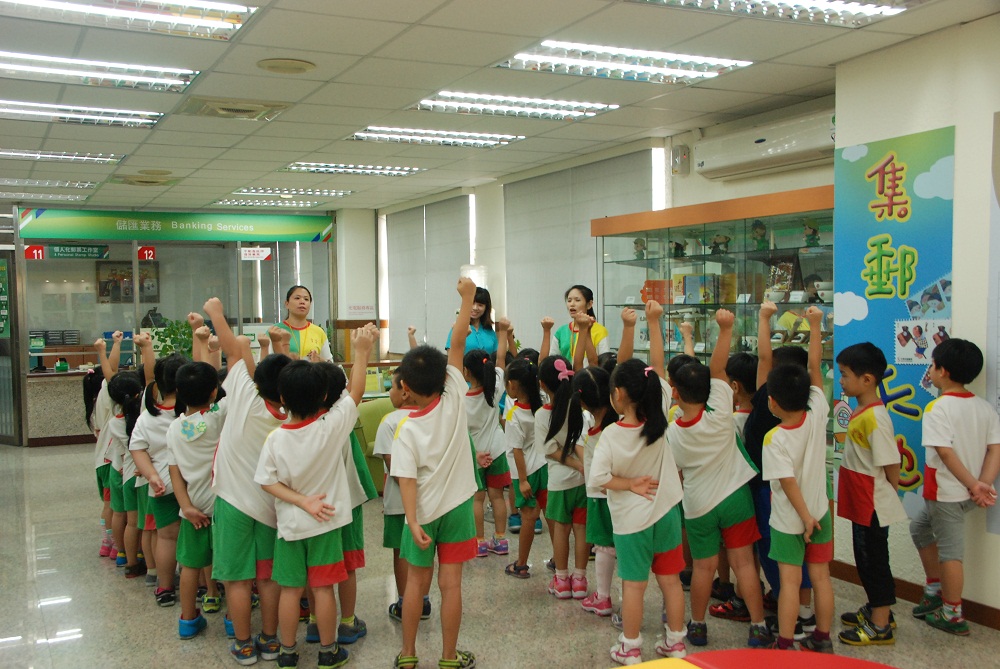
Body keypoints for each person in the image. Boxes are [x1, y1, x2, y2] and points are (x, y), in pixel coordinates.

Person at [254, 324, 374, 669]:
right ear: (324, 398)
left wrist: (299, 501)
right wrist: (362, 351)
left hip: (291, 527)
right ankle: (327, 650)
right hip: (326, 523)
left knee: (291, 590)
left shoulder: (276, 438)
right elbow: (356, 392)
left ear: (283, 399)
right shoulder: (331, 428)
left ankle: (288, 652)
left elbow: (266, 482)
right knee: (323, 589)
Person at [590, 299, 687, 665]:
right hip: (667, 513)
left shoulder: (612, 435)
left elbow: (598, 478)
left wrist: (628, 484)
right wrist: (654, 322)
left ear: (615, 396)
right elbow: (657, 366)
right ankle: (676, 643)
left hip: (632, 521)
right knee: (671, 581)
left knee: (633, 585)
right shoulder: (660, 412)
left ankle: (631, 647)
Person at [667, 306, 769, 649]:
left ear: (675, 393)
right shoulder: (722, 407)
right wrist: (725, 329)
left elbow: (677, 470)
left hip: (698, 505)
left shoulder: (673, 433)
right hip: (736, 498)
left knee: (703, 568)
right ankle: (757, 626)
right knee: (744, 564)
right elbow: (719, 369)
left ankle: (697, 625)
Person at [390, 277, 479, 669]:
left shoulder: (405, 429)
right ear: (445, 376)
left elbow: (405, 479)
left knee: (415, 586)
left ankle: (408, 655)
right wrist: (468, 297)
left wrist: (410, 519)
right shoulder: (457, 394)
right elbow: (458, 341)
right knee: (451, 586)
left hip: (423, 514)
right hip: (459, 507)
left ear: (405, 388)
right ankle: (447, 657)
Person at [204, 297, 290, 665]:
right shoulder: (292, 416)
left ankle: (243, 643)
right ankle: (270, 640)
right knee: (269, 578)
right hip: (272, 506)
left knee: (237, 579)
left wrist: (217, 315)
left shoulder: (243, 394)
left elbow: (233, 351)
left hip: (233, 502)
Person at [909, 338, 1000, 636]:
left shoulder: (938, 408)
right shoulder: (985, 408)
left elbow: (945, 454)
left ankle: (952, 613)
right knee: (919, 528)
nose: (930, 370)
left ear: (943, 371)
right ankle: (934, 589)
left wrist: (976, 485)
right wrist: (982, 485)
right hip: (968, 494)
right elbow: (994, 449)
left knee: (951, 553)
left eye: (932, 365)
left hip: (947, 494)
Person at [762, 306, 834, 652]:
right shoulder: (818, 409)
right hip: (822, 514)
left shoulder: (774, 438)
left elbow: (787, 483)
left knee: (790, 582)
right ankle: (822, 638)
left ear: (772, 402)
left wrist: (804, 517)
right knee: (821, 578)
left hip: (793, 519)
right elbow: (815, 367)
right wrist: (816, 325)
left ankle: (786, 642)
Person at [745, 302, 816, 636]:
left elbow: (762, 358)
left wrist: (764, 318)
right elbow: (768, 359)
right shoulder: (811, 412)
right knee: (799, 554)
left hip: (771, 489)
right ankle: (803, 611)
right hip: (804, 493)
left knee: (774, 550)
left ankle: (792, 615)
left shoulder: (767, 401)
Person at [835, 342, 907, 646]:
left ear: (867, 380)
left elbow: (891, 461)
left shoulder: (876, 417)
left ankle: (880, 625)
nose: (841, 380)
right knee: (866, 557)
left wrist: (891, 487)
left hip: (871, 500)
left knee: (873, 559)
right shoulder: (862, 410)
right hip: (860, 495)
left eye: (845, 375)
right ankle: (879, 609)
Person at [575, 307, 635, 619]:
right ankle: (626, 601)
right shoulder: (619, 417)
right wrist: (628, 328)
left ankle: (602, 597)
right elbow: (600, 368)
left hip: (600, 495)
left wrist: (583, 332)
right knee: (621, 547)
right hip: (624, 494)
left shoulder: (592, 423)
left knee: (603, 547)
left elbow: (584, 368)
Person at [167, 355, 227, 639]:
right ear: (214, 391)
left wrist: (186, 507)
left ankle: (188, 620)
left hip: (193, 509)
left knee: (190, 566)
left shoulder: (174, 429)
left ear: (178, 393)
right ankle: (232, 619)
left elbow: (175, 472)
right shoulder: (219, 416)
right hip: (226, 506)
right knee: (230, 563)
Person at [130, 350, 189, 607]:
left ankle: (164, 588)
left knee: (166, 537)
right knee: (197, 536)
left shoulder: (147, 417)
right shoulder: (190, 413)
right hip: (192, 485)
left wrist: (151, 474)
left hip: (162, 486)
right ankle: (201, 586)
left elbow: (137, 448)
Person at [374, 371, 432, 622]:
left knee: (401, 552)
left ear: (405, 391)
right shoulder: (429, 417)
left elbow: (395, 467)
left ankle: (403, 601)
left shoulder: (389, 421)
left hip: (400, 503)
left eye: (392, 388)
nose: (390, 392)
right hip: (428, 499)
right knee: (423, 551)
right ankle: (424, 601)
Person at [537, 353, 590, 601]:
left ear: (543, 384)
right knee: (581, 529)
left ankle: (561, 579)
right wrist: (581, 467)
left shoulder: (542, 415)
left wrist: (572, 464)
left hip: (558, 483)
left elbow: (550, 451)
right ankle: (580, 580)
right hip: (582, 483)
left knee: (561, 529)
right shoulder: (581, 409)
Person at [464, 326, 511, 557]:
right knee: (497, 496)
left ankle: (479, 542)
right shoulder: (495, 388)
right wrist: (502, 334)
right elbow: (501, 357)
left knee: (477, 499)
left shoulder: (462, 401)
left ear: (465, 372)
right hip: (498, 450)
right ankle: (501, 540)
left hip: (475, 454)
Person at [503, 355, 545, 579]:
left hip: (526, 472)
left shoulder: (514, 414)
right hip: (545, 466)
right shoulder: (543, 406)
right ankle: (559, 563)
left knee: (528, 517)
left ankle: (521, 564)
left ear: (512, 385)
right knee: (554, 519)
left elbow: (516, 450)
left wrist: (524, 480)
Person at [541, 285, 609, 367]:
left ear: (589, 304)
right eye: (569, 301)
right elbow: (551, 361)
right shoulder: (561, 331)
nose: (572, 304)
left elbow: (604, 362)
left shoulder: (600, 331)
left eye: (577, 300)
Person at [276, 285, 333, 362]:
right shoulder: (275, 331)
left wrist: (320, 360)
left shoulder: (319, 332)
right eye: (297, 298)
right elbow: (264, 365)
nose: (302, 302)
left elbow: (330, 365)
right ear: (287, 304)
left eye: (306, 299)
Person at [445, 286, 498, 355]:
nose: (475, 308)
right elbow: (451, 357)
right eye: (472, 303)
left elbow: (496, 358)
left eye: (480, 305)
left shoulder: (490, 332)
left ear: (486, 308)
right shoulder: (458, 328)